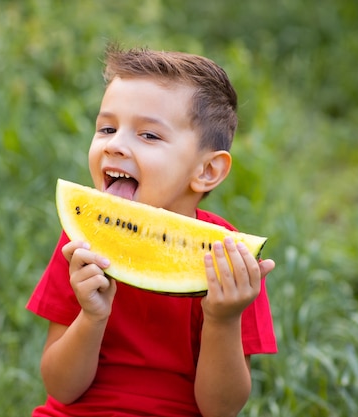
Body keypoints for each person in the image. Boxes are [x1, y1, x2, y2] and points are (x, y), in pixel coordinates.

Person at [27, 45, 277, 417]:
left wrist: (222, 320)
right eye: (107, 128)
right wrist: (91, 317)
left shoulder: (227, 261)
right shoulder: (82, 241)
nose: (115, 145)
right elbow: (61, 388)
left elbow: (221, 409)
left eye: (149, 136)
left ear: (207, 171)